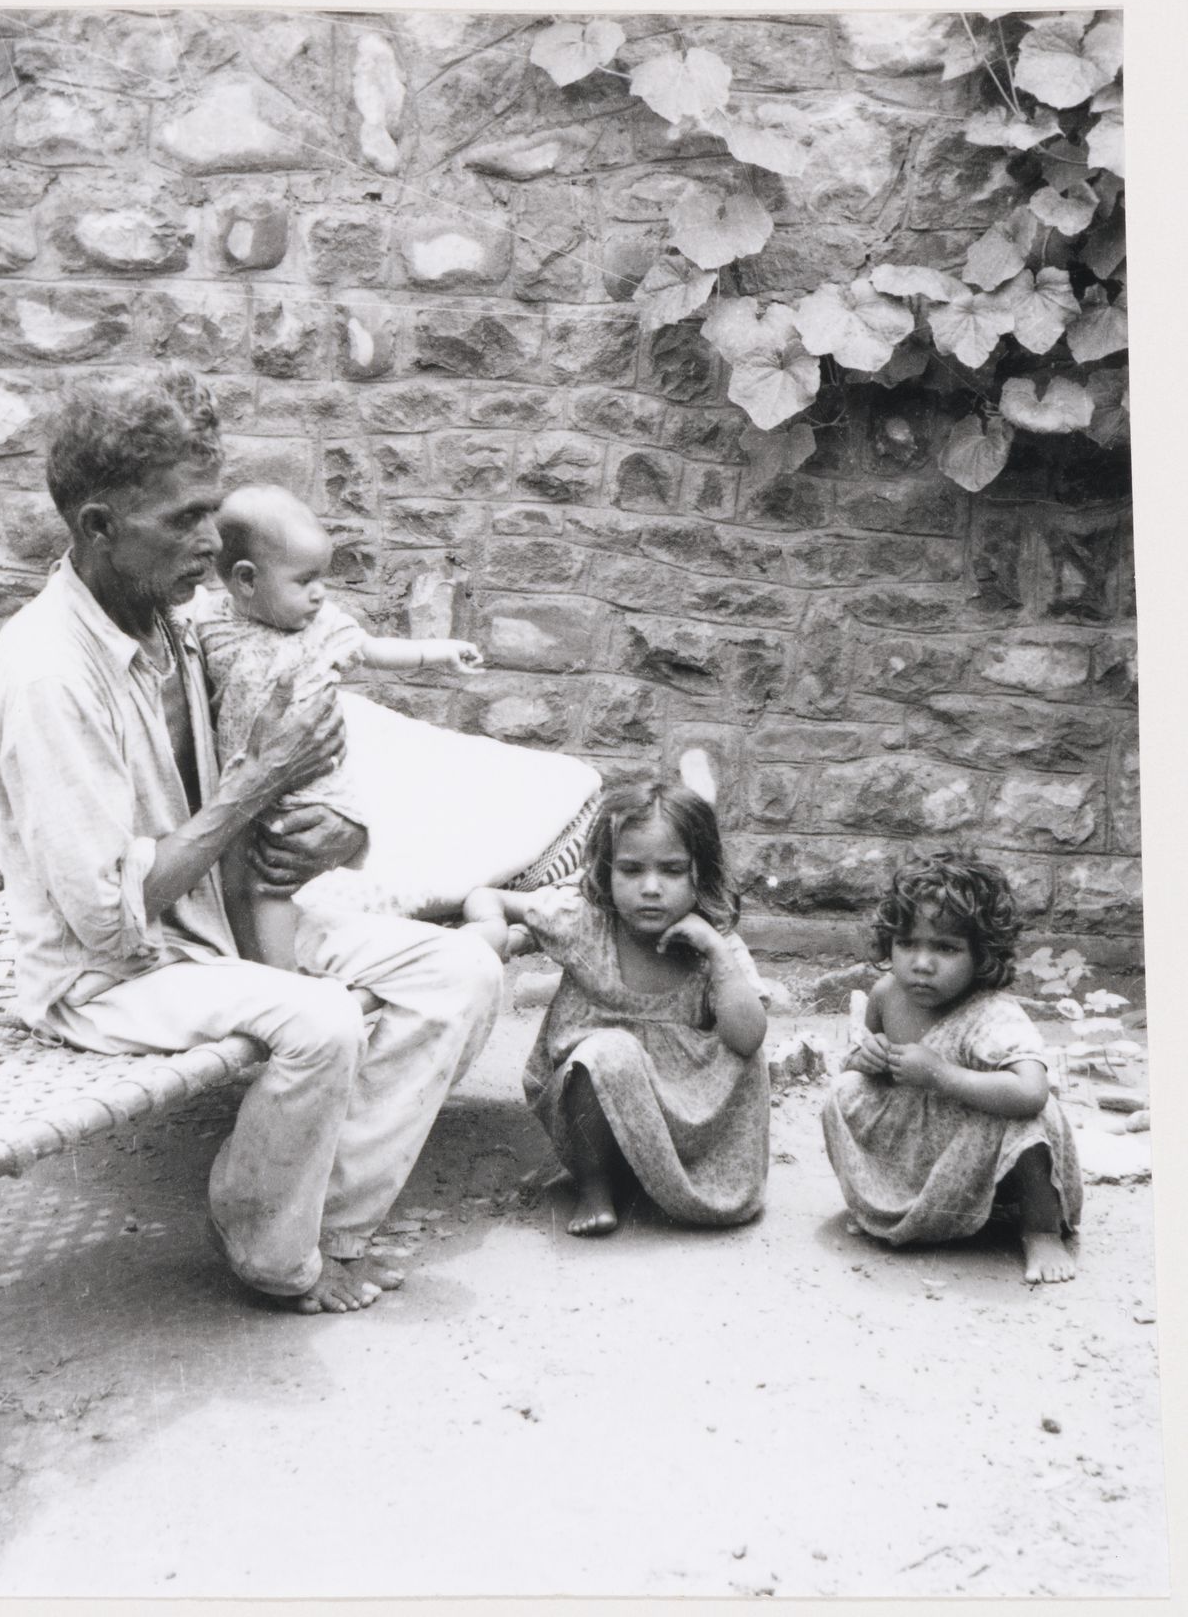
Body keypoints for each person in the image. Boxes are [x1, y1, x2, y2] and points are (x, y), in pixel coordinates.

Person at [0, 369, 502, 1316]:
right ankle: (272, 1249)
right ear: (97, 526)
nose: (211, 543)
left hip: (217, 921)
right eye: (181, 521)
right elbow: (107, 922)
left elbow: (289, 746)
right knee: (324, 1019)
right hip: (111, 976)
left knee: (464, 971)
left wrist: (339, 835)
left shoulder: (180, 621)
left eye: (211, 512)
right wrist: (256, 781)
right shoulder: (48, 674)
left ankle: (318, 1220)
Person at [462, 779, 769, 1237]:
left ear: (700, 873)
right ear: (606, 872)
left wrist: (715, 952)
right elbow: (488, 896)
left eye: (671, 870)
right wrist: (490, 924)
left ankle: (674, 1180)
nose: (650, 888)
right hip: (592, 1105)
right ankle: (595, 1185)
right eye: (630, 870)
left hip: (685, 1117)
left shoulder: (716, 945)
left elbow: (748, 1038)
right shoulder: (585, 924)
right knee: (607, 1054)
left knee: (743, 1046)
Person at [196, 483, 484, 971]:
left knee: (271, 883)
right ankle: (246, 959)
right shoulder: (209, 620)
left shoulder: (323, 627)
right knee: (236, 877)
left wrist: (438, 651)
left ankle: (279, 977)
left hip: (309, 789)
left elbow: (372, 650)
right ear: (245, 580)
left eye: (321, 578)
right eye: (304, 580)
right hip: (244, 783)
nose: (320, 592)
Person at [821, 851, 1082, 1284]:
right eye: (907, 943)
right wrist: (868, 1059)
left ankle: (1040, 1229)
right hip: (920, 1149)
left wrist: (941, 1074)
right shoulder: (887, 992)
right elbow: (864, 1051)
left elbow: (1032, 1091)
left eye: (945, 947)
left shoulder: (991, 1012)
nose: (921, 963)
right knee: (845, 1088)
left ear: (982, 956)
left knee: (1034, 1120)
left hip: (974, 1150)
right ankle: (886, 1202)